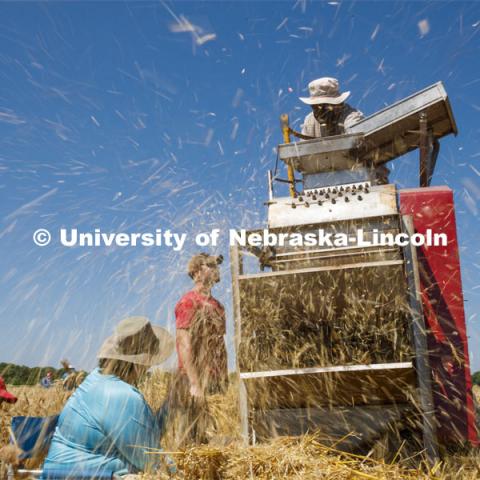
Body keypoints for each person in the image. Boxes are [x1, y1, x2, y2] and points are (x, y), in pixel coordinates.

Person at [41, 316, 174, 478]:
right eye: (148, 361)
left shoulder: (93, 381)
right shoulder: (123, 396)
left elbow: (142, 433)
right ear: (138, 363)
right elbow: (151, 459)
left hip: (58, 475)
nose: (149, 367)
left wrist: (170, 404)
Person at [172, 253, 228, 445]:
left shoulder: (218, 306)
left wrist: (224, 378)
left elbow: (220, 345)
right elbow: (183, 342)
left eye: (216, 265)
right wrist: (194, 384)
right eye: (209, 265)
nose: (215, 267)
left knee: (216, 440)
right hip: (193, 381)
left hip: (215, 379)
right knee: (192, 442)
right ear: (196, 273)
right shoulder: (189, 302)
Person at [300, 77, 389, 184]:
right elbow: (303, 155)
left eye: (324, 107)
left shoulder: (352, 117)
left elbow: (355, 142)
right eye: (315, 108)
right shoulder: (309, 121)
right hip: (328, 181)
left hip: (368, 178)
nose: (319, 112)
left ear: (337, 105)